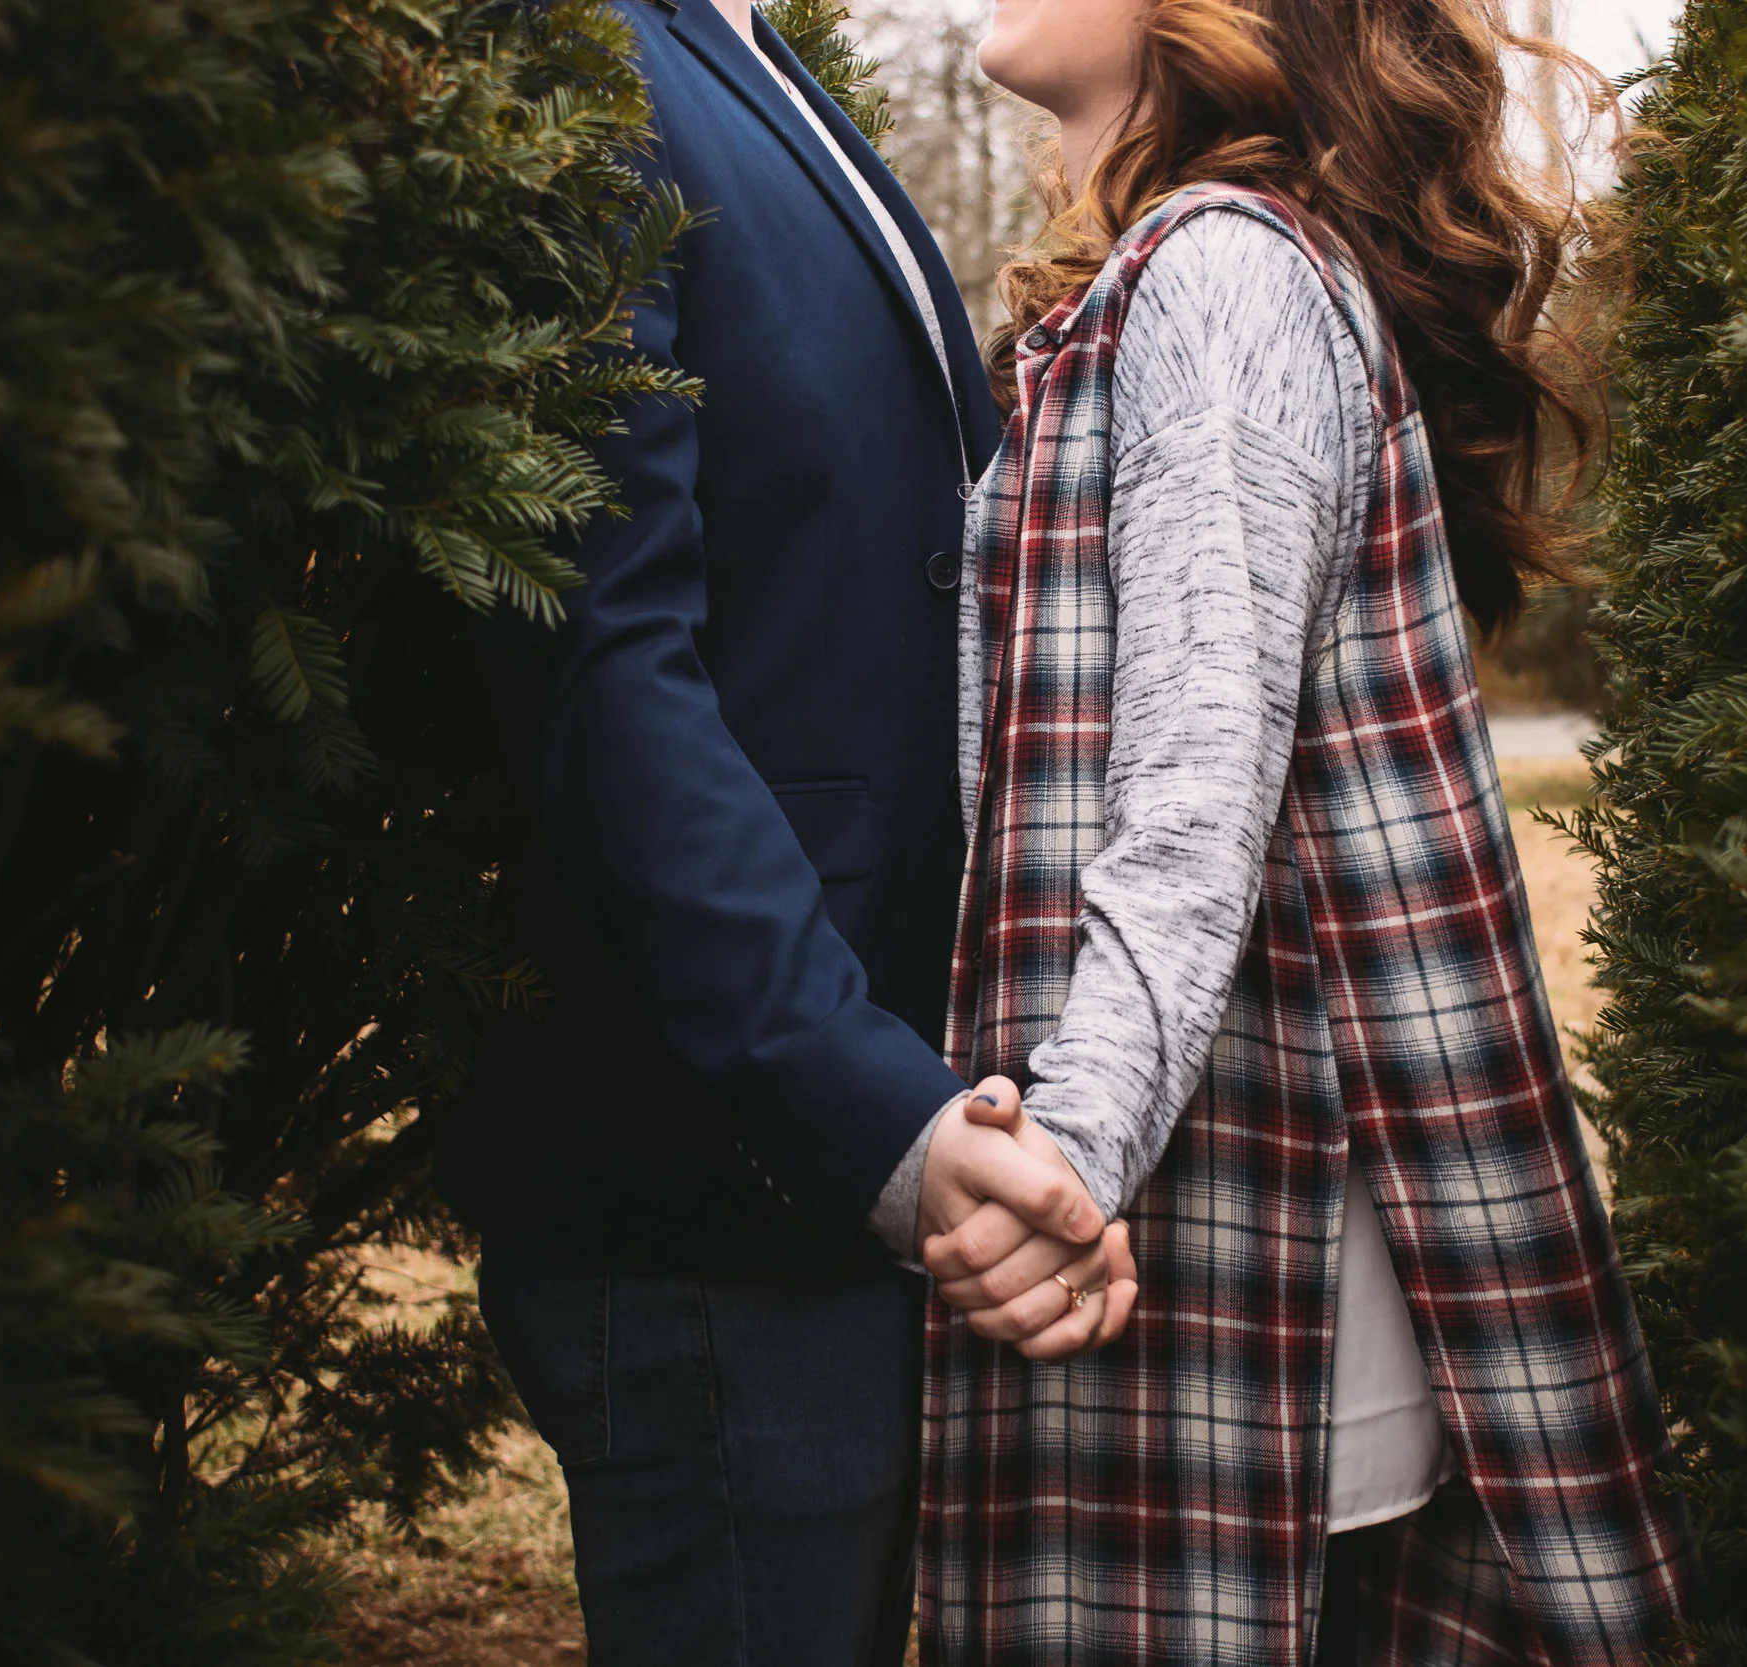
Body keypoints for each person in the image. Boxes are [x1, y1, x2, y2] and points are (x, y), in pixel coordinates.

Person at [912, 0, 1702, 1660]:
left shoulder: (1222, 273)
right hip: (1203, 1239)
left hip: (1235, 1276)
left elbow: (1191, 807)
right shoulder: (1188, 273)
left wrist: (1062, 1168)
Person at [433, 1, 1134, 1661]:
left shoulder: (748, 70)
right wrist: (865, 1108)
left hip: (839, 1161)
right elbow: (600, 662)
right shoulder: (583, 61)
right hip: (720, 1186)